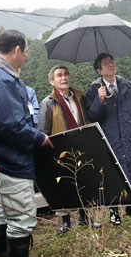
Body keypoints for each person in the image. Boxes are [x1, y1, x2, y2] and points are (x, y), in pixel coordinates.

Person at [0, 29, 52, 257]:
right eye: (26, 51)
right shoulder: (0, 80)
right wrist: (39, 138)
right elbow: (11, 126)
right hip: (12, 163)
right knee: (21, 220)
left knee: (2, 214)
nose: (26, 56)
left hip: (1, 161)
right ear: (17, 49)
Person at [85, 53, 131, 225]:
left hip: (128, 135)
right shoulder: (93, 89)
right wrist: (99, 99)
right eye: (106, 63)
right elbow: (91, 117)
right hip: (109, 138)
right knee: (112, 173)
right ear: (99, 70)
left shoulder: (128, 85)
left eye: (112, 62)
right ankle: (114, 211)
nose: (111, 65)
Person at [38, 64, 101, 235]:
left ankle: (85, 217)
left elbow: (87, 119)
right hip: (60, 149)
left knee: (84, 182)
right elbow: (43, 131)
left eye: (66, 74)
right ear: (52, 81)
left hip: (81, 146)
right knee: (63, 185)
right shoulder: (48, 103)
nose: (64, 78)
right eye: (59, 75)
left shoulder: (79, 97)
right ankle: (66, 222)